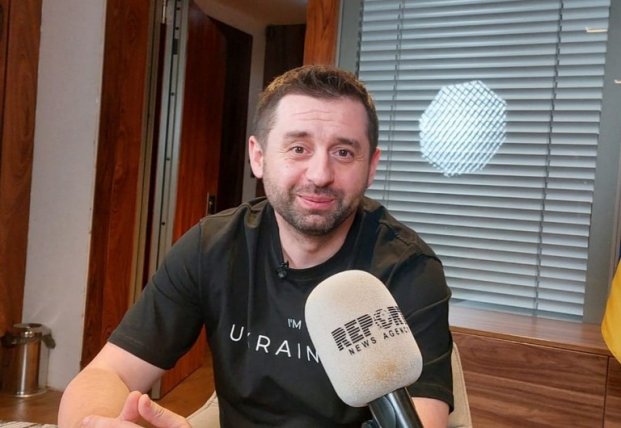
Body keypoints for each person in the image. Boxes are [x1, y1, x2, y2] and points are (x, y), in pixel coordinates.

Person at [58, 65, 453, 428]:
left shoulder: (408, 268)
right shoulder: (213, 246)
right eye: (298, 148)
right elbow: (109, 373)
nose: (320, 174)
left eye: (343, 152)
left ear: (371, 167)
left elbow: (423, 419)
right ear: (258, 157)